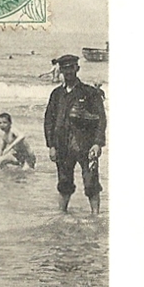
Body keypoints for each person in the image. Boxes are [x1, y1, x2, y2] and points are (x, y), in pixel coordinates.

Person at [44, 54, 106, 214]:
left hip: (86, 144)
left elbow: (101, 119)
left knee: (91, 182)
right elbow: (49, 121)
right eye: (65, 68)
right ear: (61, 70)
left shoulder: (90, 92)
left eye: (71, 67)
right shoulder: (56, 94)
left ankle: (96, 216)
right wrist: (51, 145)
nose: (68, 71)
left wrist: (97, 143)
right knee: (64, 183)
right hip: (62, 145)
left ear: (77, 68)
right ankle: (62, 215)